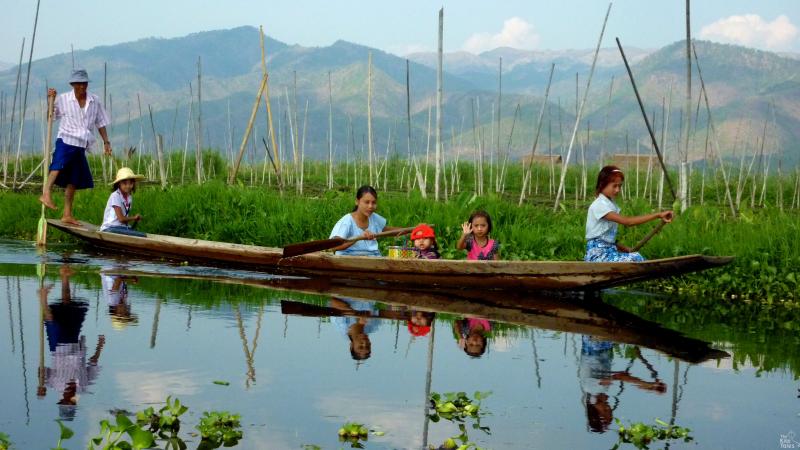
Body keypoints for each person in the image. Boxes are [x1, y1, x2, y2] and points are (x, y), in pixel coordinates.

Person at [39, 69, 113, 226]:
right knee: (58, 165)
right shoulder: (63, 99)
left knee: (74, 180)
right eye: (78, 83)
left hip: (81, 143)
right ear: (73, 85)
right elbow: (50, 118)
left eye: (84, 83)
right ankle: (46, 193)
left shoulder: (94, 100)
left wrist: (106, 142)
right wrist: (50, 102)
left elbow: (100, 122)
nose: (82, 86)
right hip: (66, 138)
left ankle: (67, 214)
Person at [37, 265, 105, 420]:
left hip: (58, 347)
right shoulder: (83, 385)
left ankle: (43, 298)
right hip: (74, 343)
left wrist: (40, 386)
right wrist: (99, 346)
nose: (69, 398)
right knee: (68, 306)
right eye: (70, 402)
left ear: (62, 399)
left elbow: (42, 370)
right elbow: (92, 364)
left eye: (66, 400)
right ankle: (65, 276)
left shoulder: (54, 384)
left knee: (52, 322)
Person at [579, 335, 666, 433]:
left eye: (606, 411)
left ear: (598, 413)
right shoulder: (595, 390)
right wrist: (648, 386)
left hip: (595, 345)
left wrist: (649, 386)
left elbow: (620, 376)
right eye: (610, 411)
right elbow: (620, 377)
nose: (609, 407)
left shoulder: (592, 389)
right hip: (601, 346)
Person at [585, 166, 673, 262]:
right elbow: (628, 222)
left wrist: (625, 249)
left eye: (620, 186)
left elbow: (607, 238)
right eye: (614, 186)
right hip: (598, 255)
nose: (618, 190)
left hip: (609, 251)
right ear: (602, 185)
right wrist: (658, 215)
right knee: (636, 258)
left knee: (635, 256)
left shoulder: (610, 204)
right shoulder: (599, 205)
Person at [329, 185, 409, 257]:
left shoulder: (374, 218)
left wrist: (409, 231)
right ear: (357, 201)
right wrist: (359, 238)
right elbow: (334, 246)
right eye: (366, 202)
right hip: (350, 259)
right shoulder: (347, 221)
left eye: (373, 202)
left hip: (373, 259)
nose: (370, 206)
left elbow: (386, 230)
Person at [100, 168, 146, 237]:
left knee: (140, 234)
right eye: (125, 183)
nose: (128, 186)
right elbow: (121, 219)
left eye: (131, 183)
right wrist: (134, 218)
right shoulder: (115, 195)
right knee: (142, 235)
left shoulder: (129, 197)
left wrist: (135, 219)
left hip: (121, 227)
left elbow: (124, 218)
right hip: (110, 227)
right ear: (119, 184)